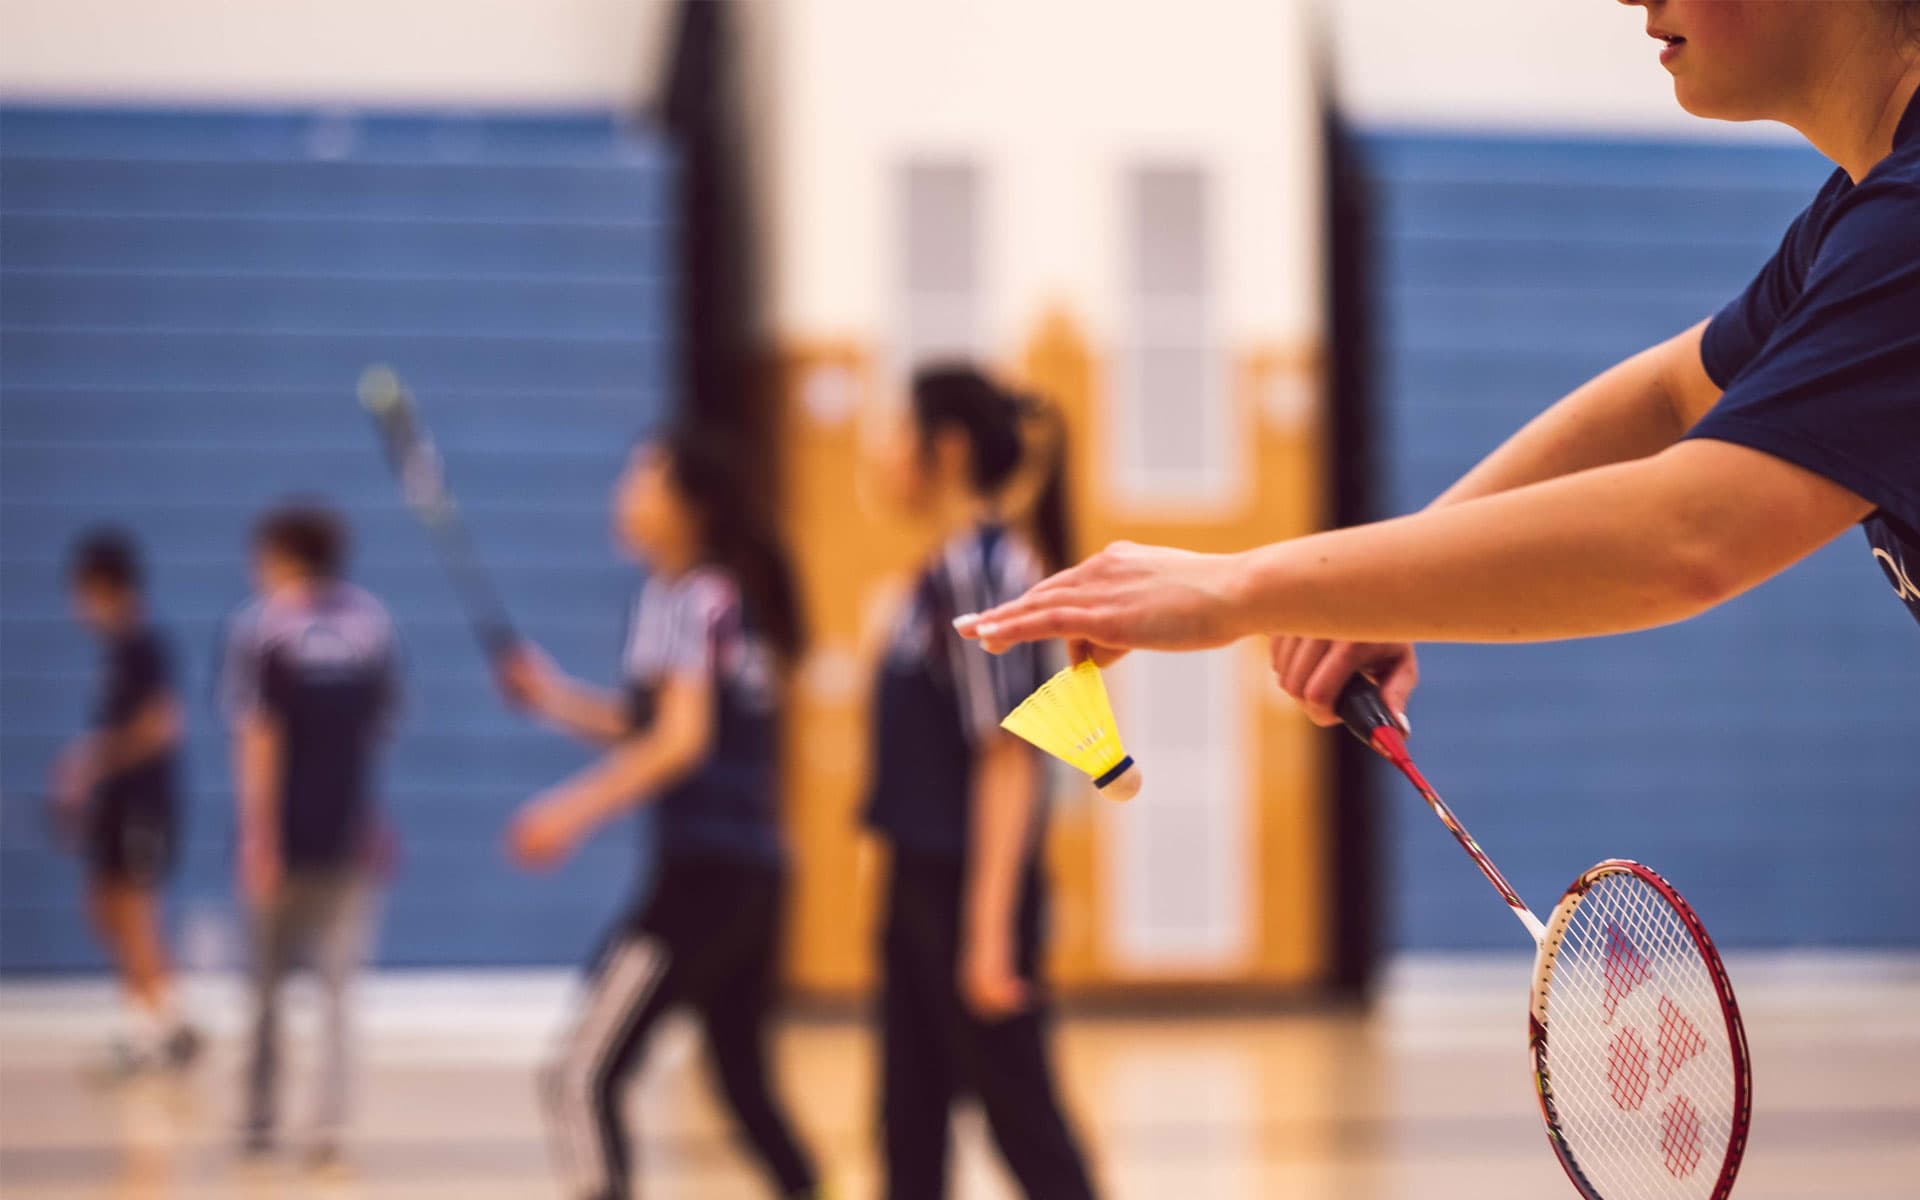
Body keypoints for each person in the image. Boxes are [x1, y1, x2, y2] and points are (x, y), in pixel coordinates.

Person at [957, 0, 1920, 726]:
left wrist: (1236, 586)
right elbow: (1672, 394)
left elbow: (1692, 532)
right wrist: (1374, 589)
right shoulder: (1858, 216)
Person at [497, 430, 822, 1200]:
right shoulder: (710, 596)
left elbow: (680, 741)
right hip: (754, 876)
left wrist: (567, 812)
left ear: (689, 508)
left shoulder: (692, 597)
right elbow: (658, 724)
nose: (624, 497)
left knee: (578, 1073)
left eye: (641, 482)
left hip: (705, 883)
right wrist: (554, 699)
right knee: (742, 1081)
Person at [859, 365, 1099, 1200]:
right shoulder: (943, 570)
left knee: (1024, 1126)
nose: (882, 454)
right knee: (907, 1129)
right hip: (921, 884)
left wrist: (988, 929)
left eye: (897, 432)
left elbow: (1009, 755)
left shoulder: (986, 570)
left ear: (946, 448)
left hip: (966, 890)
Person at [222, 503, 400, 1165]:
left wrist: (256, 836)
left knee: (266, 989)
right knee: (336, 992)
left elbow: (257, 738)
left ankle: (260, 1121)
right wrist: (374, 819)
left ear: (283, 555)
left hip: (289, 838)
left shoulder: (263, 628)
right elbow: (375, 737)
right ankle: (328, 1128)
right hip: (349, 834)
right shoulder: (372, 625)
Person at [53, 529, 201, 1078]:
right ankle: (168, 1022)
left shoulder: (145, 646)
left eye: (81, 591)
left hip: (146, 804)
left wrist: (93, 759)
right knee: (106, 908)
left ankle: (150, 1035)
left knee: (138, 913)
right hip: (117, 804)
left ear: (104, 587)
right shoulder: (115, 651)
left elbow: (162, 725)